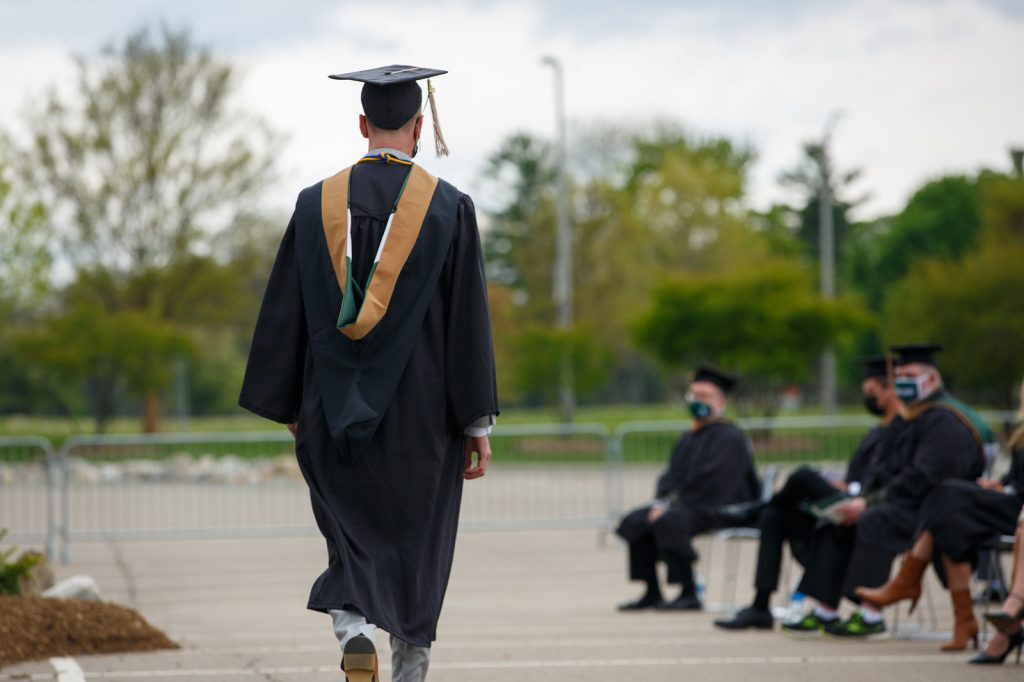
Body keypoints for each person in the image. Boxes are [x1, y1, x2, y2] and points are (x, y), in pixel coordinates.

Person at [238, 65, 498, 682]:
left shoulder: (314, 204)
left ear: (361, 125)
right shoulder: (448, 208)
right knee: (418, 543)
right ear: (416, 126)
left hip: (329, 406)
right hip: (423, 418)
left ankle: (352, 629)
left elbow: (286, 312)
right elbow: (467, 325)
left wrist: (291, 403)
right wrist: (476, 421)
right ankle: (410, 666)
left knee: (348, 532)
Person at [797, 344, 988, 640]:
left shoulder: (947, 421)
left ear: (932, 380)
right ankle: (825, 610)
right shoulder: (906, 419)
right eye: (898, 376)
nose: (901, 382)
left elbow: (926, 476)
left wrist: (870, 503)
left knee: (875, 520)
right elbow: (884, 470)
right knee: (837, 521)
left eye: (910, 375)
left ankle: (871, 613)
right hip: (898, 501)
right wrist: (861, 498)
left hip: (930, 509)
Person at [714, 356, 903, 631]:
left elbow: (895, 480)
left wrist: (858, 493)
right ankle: (760, 606)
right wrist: (844, 484)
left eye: (870, 391)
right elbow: (861, 475)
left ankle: (754, 509)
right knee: (773, 517)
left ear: (890, 389)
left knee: (802, 476)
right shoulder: (877, 431)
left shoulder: (904, 431)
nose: (867, 396)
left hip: (871, 506)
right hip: (851, 499)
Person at [856, 379, 1020, 653]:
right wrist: (1001, 484)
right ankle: (960, 619)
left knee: (946, 498)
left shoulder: (945, 421)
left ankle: (912, 583)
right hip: (1010, 501)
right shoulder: (1020, 432)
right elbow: (1016, 476)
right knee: (948, 517)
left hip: (1018, 508)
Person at [616, 366, 760, 612]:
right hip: (689, 505)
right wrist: (660, 501)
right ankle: (652, 590)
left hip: (722, 506)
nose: (697, 401)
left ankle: (688, 591)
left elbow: (715, 481)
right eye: (693, 395)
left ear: (720, 400)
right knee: (636, 520)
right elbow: (670, 476)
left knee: (670, 522)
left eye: (704, 396)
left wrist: (671, 506)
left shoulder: (728, 436)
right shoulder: (690, 436)